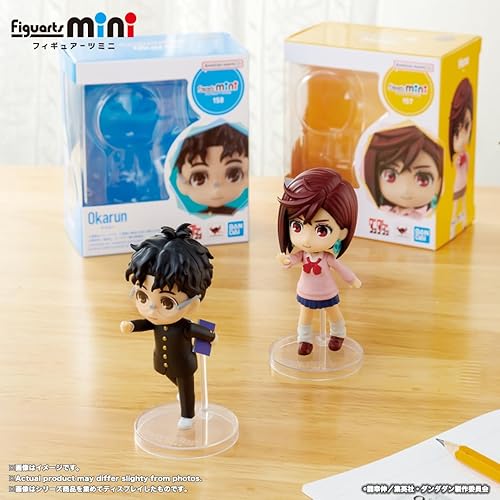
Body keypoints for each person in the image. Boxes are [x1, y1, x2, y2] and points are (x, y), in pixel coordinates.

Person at [120, 223, 215, 429]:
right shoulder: (155, 320)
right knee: (174, 379)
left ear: (193, 304)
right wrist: (132, 326)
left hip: (184, 364)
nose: (152, 308)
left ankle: (187, 415)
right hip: (163, 362)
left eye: (167, 302)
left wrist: (210, 336)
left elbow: (200, 331)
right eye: (142, 296)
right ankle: (183, 395)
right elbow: (146, 323)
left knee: (186, 387)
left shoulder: (183, 326)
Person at [277, 168, 361, 356]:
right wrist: (287, 260)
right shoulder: (303, 255)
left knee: (333, 312)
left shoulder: (327, 258)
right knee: (305, 315)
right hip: (306, 290)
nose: (306, 239)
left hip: (326, 291)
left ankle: (338, 334)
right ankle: (304, 339)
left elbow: (341, 269)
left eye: (321, 230)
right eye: (297, 226)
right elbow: (293, 259)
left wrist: (352, 280)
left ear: (342, 233)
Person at [364, 125, 443, 219]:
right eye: (390, 176)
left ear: (439, 182)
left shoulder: (432, 218)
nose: (405, 190)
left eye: (423, 179)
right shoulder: (379, 212)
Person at [174, 123, 249, 215]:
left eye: (233, 175)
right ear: (181, 184)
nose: (216, 189)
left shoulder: (242, 214)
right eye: (199, 178)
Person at [449, 78, 473, 234]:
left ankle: (463, 218)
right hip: (457, 183)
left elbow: (468, 169)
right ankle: (452, 221)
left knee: (462, 202)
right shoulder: (458, 159)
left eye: (467, 126)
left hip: (463, 182)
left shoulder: (465, 155)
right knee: (455, 202)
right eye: (457, 131)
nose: (463, 137)